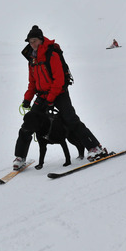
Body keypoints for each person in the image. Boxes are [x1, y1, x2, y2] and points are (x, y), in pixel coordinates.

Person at [13, 25, 109, 169]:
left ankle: (95, 148)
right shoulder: (32, 59)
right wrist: (27, 98)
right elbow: (32, 82)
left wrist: (50, 99)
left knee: (71, 120)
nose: (32, 44)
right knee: (29, 123)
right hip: (42, 95)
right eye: (30, 41)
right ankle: (20, 157)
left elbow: (59, 81)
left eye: (34, 41)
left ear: (40, 40)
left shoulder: (51, 54)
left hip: (59, 93)